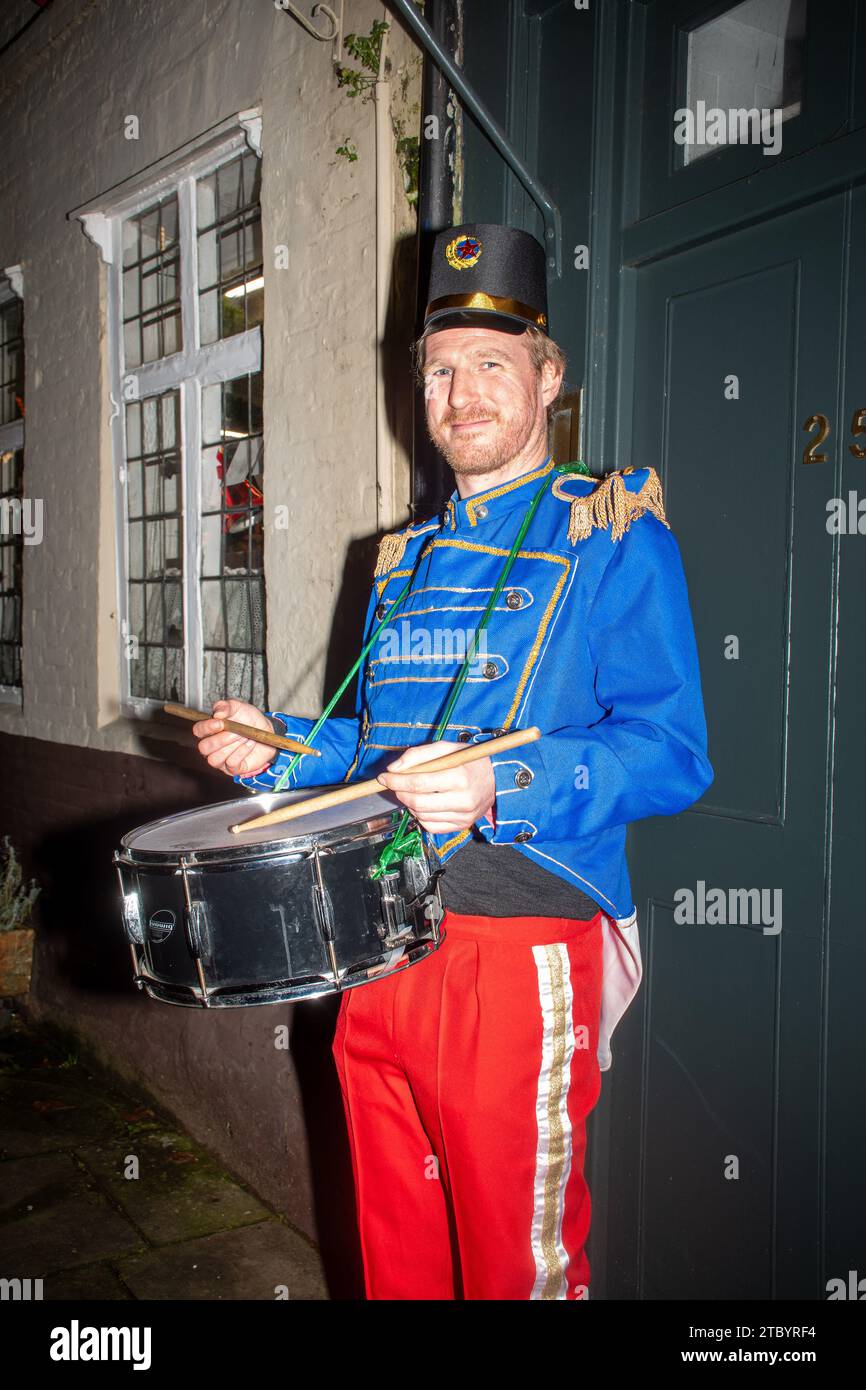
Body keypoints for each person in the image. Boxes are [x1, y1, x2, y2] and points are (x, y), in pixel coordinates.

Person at [192, 222, 714, 1300]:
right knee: (397, 1260)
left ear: (547, 379)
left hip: (513, 957)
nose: (460, 392)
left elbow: (669, 753)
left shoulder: (608, 527)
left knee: (513, 1267)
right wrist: (275, 748)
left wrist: (498, 782)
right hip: (374, 944)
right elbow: (373, 753)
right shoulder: (400, 560)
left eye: (490, 363)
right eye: (438, 368)